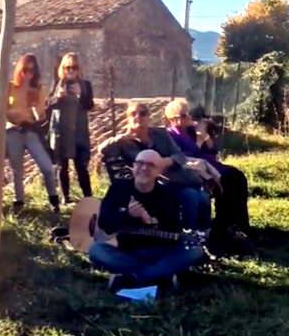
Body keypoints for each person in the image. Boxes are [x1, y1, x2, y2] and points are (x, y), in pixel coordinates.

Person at [89, 150, 206, 292]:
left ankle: (134, 277)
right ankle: (157, 276)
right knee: (96, 249)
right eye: (140, 163)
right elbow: (104, 223)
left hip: (159, 254)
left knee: (195, 251)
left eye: (150, 165)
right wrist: (128, 215)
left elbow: (174, 231)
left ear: (158, 172)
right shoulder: (118, 188)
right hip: (127, 253)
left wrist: (151, 222)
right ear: (133, 167)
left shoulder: (167, 195)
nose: (144, 168)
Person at [99, 101, 210, 230]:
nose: (138, 117)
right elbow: (102, 150)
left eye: (142, 113)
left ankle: (204, 237)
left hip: (174, 179)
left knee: (203, 197)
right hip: (152, 185)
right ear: (127, 118)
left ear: (148, 117)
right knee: (190, 197)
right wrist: (121, 137)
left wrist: (165, 162)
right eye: (133, 114)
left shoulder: (161, 134)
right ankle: (186, 237)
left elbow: (180, 156)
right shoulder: (124, 142)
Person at [165, 99, 250, 247]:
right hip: (195, 170)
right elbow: (186, 158)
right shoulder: (170, 136)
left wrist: (206, 138)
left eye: (188, 114)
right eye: (184, 116)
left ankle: (239, 223)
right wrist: (199, 140)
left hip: (211, 164)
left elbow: (211, 151)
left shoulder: (191, 131)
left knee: (238, 176)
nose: (189, 118)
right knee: (229, 180)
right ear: (172, 119)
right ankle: (223, 226)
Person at [6, 54, 59, 213]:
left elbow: (40, 116)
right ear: (19, 70)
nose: (29, 73)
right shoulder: (10, 87)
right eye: (25, 69)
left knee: (47, 167)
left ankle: (54, 200)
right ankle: (19, 202)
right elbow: (3, 110)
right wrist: (17, 114)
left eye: (32, 70)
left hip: (30, 131)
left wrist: (37, 110)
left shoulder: (38, 88)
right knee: (17, 170)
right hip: (13, 130)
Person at [47, 52, 94, 203]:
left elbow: (89, 105)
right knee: (62, 167)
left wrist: (81, 95)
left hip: (79, 132)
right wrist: (57, 98)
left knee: (81, 166)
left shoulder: (85, 85)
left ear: (79, 69)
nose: (71, 71)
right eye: (67, 67)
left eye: (74, 67)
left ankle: (88, 198)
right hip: (61, 131)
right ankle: (65, 198)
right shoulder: (56, 83)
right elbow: (47, 105)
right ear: (63, 68)